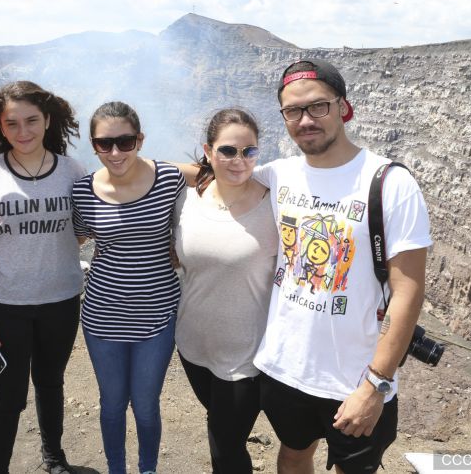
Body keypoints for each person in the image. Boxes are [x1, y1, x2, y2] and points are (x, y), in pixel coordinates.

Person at [252, 58, 432, 474]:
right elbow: (221, 170)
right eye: (293, 111)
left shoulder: (390, 182)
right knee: (294, 453)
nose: (305, 120)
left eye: (318, 106)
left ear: (343, 108)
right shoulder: (278, 174)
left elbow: (409, 291)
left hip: (356, 378)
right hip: (284, 367)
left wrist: (375, 384)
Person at [0, 81, 86, 474]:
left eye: (32, 120)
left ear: (48, 120)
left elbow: (85, 226)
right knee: (9, 397)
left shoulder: (71, 170)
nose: (23, 132)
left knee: (51, 384)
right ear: (0, 127)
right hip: (6, 306)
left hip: (61, 302)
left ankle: (54, 457)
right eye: (12, 123)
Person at [71, 101, 186, 474]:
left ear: (140, 139)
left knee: (147, 403)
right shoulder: (83, 192)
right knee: (111, 403)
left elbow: (212, 179)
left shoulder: (170, 179)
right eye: (105, 144)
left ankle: (148, 469)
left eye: (125, 141)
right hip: (103, 315)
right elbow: (75, 239)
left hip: (157, 313)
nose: (116, 152)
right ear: (94, 145)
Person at [173, 108, 278, 473]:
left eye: (249, 151)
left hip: (246, 358)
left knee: (226, 445)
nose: (240, 160)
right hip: (192, 346)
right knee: (219, 426)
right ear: (208, 150)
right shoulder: (187, 199)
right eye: (228, 151)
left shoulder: (275, 203)